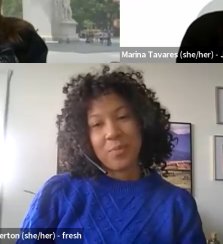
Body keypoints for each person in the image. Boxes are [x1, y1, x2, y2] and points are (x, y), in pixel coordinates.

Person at [17, 65, 206, 244]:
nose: (113, 132)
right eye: (97, 124)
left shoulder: (178, 204)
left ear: (142, 124)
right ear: (84, 137)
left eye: (123, 117)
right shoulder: (57, 193)